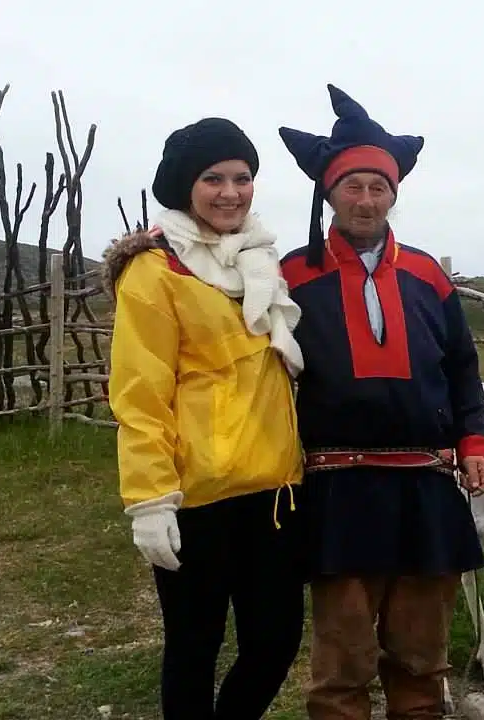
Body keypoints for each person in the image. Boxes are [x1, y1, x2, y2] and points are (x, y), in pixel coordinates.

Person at [278, 84, 484, 720]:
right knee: (342, 666)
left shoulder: (427, 275)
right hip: (339, 490)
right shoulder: (290, 275)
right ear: (329, 192)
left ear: (394, 194)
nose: (366, 200)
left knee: (422, 660)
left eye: (379, 188)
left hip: (425, 488)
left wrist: (473, 441)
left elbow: (461, 365)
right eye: (353, 187)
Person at [103, 117, 307, 720]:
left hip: (274, 490)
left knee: (275, 643)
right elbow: (140, 393)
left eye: (242, 178)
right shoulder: (156, 269)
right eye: (213, 178)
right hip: (195, 494)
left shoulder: (258, 262)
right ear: (183, 187)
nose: (230, 192)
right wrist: (150, 500)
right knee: (195, 647)